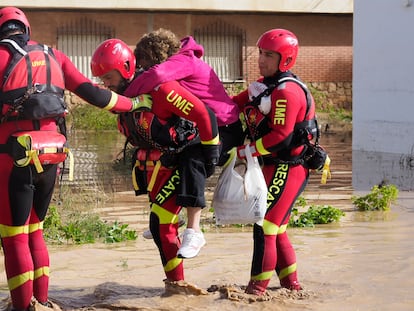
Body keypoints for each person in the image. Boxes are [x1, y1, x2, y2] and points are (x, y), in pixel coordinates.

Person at [0, 7, 150, 311]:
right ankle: (41, 301)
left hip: (12, 158)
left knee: (14, 238)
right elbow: (97, 96)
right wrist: (135, 102)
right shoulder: (55, 55)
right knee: (35, 231)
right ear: (25, 30)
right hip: (51, 156)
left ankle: (20, 308)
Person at [92, 29, 244, 258]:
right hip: (205, 123)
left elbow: (156, 76)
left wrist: (126, 100)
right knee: (173, 155)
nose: (142, 70)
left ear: (154, 56)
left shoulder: (184, 60)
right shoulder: (179, 62)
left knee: (193, 157)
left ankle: (195, 230)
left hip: (224, 127)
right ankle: (173, 217)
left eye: (143, 64)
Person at [232, 28, 319, 295]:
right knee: (277, 227)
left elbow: (281, 137)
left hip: (289, 167)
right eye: (259, 53)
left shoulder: (286, 92)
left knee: (265, 226)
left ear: (286, 59)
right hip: (272, 165)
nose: (261, 59)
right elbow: (232, 104)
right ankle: (292, 288)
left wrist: (246, 151)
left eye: (269, 55)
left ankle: (256, 292)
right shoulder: (262, 86)